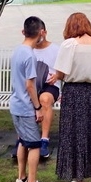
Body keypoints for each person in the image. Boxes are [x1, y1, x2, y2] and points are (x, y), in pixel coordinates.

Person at [51, 12, 91, 182]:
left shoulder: (69, 45)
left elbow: (61, 71)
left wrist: (58, 76)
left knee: (75, 134)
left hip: (74, 93)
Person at [10, 16, 51, 182]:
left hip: (15, 105)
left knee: (22, 142)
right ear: (41, 33)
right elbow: (30, 85)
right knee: (34, 145)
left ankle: (21, 179)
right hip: (26, 107)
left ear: (23, 32)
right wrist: (37, 107)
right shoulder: (29, 55)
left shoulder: (17, 50)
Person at [33, 20, 61, 158]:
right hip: (32, 85)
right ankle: (23, 140)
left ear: (44, 32)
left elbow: (64, 71)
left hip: (50, 85)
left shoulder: (55, 49)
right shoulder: (28, 50)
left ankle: (44, 140)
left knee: (44, 99)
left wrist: (57, 76)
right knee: (25, 99)